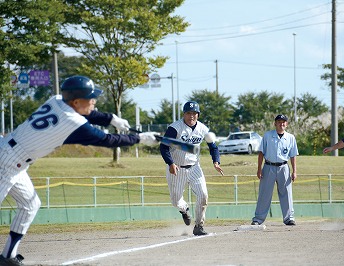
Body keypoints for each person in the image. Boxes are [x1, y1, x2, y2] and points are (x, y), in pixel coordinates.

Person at [0, 75, 158, 265]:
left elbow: (88, 113)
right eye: (90, 98)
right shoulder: (73, 124)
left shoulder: (57, 100)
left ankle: (8, 257)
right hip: (6, 162)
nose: (94, 101)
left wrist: (112, 119)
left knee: (31, 205)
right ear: (75, 101)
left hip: (13, 158)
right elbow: (107, 140)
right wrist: (140, 139)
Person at [160, 101, 224, 236]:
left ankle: (199, 226)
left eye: (194, 113)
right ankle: (184, 210)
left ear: (198, 115)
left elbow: (213, 147)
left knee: (203, 195)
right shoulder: (175, 128)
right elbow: (164, 147)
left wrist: (216, 162)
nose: (191, 116)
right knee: (176, 201)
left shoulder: (203, 129)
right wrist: (170, 163)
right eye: (188, 113)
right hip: (176, 168)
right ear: (184, 114)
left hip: (195, 167)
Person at [251, 114, 298, 226]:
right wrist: (259, 169)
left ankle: (289, 218)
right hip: (269, 166)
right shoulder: (267, 135)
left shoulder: (290, 137)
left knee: (286, 193)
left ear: (286, 124)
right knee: (264, 194)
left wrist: (294, 171)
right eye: (279, 121)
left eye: (284, 122)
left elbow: (293, 155)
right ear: (275, 123)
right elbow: (261, 153)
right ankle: (258, 219)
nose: (281, 124)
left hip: (284, 167)